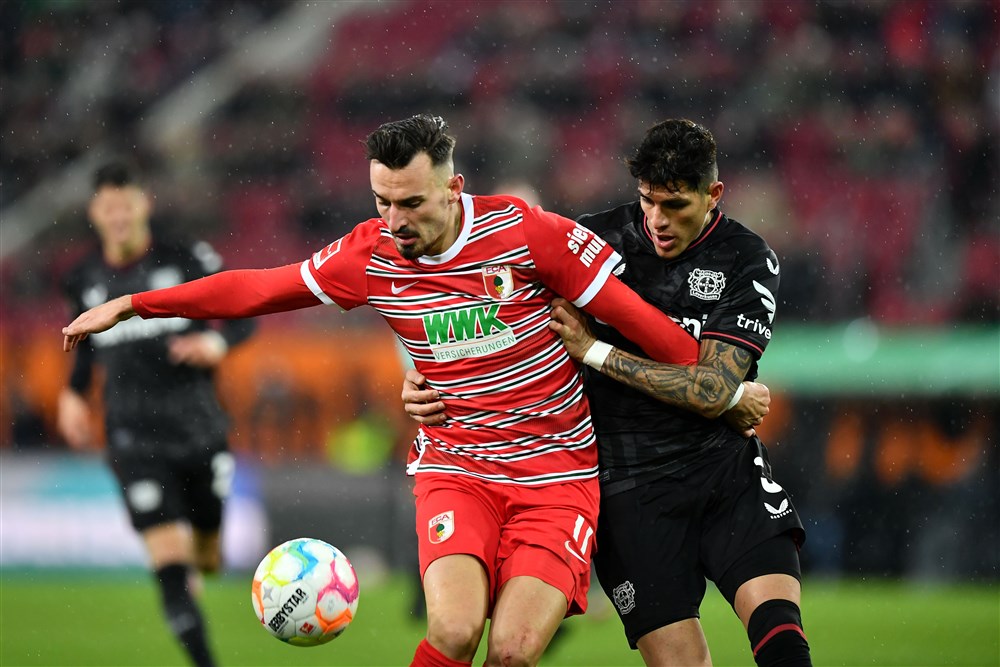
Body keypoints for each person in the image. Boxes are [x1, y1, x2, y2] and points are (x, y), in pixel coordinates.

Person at [61, 114, 700, 667]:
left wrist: (718, 387)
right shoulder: (370, 255)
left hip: (554, 477)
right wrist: (136, 305)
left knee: (512, 650)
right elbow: (255, 287)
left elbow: (655, 332)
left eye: (411, 204)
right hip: (458, 466)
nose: (394, 220)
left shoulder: (527, 235)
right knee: (452, 631)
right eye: (381, 202)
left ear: (454, 189)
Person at [403, 119, 811, 667]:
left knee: (781, 637)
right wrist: (431, 376)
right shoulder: (595, 240)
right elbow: (490, 315)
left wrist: (597, 352)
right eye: (647, 202)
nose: (658, 221)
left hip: (722, 473)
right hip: (628, 489)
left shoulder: (746, 258)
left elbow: (713, 389)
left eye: (676, 206)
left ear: (714, 194)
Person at [58, 161, 256, 667]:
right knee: (169, 561)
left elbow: (243, 310)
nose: (118, 216)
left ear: (144, 203)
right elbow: (85, 349)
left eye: (126, 204)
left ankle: (196, 562)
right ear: (94, 214)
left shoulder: (185, 256)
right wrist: (74, 395)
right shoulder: (83, 278)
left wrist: (216, 340)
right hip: (132, 438)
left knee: (209, 558)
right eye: (108, 207)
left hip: (198, 426)